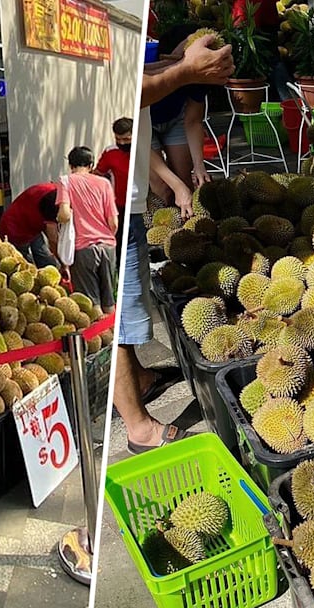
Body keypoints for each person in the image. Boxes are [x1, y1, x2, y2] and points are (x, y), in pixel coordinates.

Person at [114, 34, 234, 454]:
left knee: (127, 303)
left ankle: (140, 379)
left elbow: (189, 122)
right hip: (107, 192)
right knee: (117, 319)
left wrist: (177, 62)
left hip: (115, 190)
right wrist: (183, 70)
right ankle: (138, 429)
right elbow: (124, 99)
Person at [149, 25, 211, 204]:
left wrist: (199, 165)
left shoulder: (201, 71)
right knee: (163, 188)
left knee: (185, 179)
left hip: (176, 118)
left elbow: (193, 121)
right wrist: (176, 187)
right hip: (144, 126)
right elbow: (139, 139)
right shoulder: (145, 62)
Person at [55, 146, 118, 314]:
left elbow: (65, 214)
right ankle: (113, 335)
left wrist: (60, 219)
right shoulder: (104, 183)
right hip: (107, 246)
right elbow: (114, 222)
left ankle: (99, 338)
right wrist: (107, 238)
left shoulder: (65, 181)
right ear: (91, 165)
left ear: (71, 165)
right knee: (109, 300)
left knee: (90, 302)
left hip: (83, 248)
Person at [95, 117, 133, 258]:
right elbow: (98, 174)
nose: (122, 143)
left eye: (127, 139)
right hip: (118, 204)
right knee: (120, 239)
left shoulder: (144, 148)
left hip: (141, 199)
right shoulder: (110, 152)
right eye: (119, 139)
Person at [0, 182, 59, 268]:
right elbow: (52, 237)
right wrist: (63, 263)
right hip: (15, 228)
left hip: (33, 227)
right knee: (24, 265)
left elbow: (49, 227)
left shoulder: (55, 189)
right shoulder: (52, 198)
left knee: (46, 259)